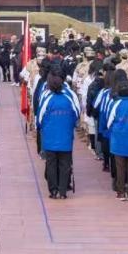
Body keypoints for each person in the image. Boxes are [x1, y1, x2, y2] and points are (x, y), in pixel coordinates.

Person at [38, 72, 80, 200]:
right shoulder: (68, 99)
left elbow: (40, 118)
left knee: (51, 165)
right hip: (66, 137)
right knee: (64, 165)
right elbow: (76, 114)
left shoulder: (47, 99)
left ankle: (53, 190)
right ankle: (63, 191)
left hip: (50, 138)